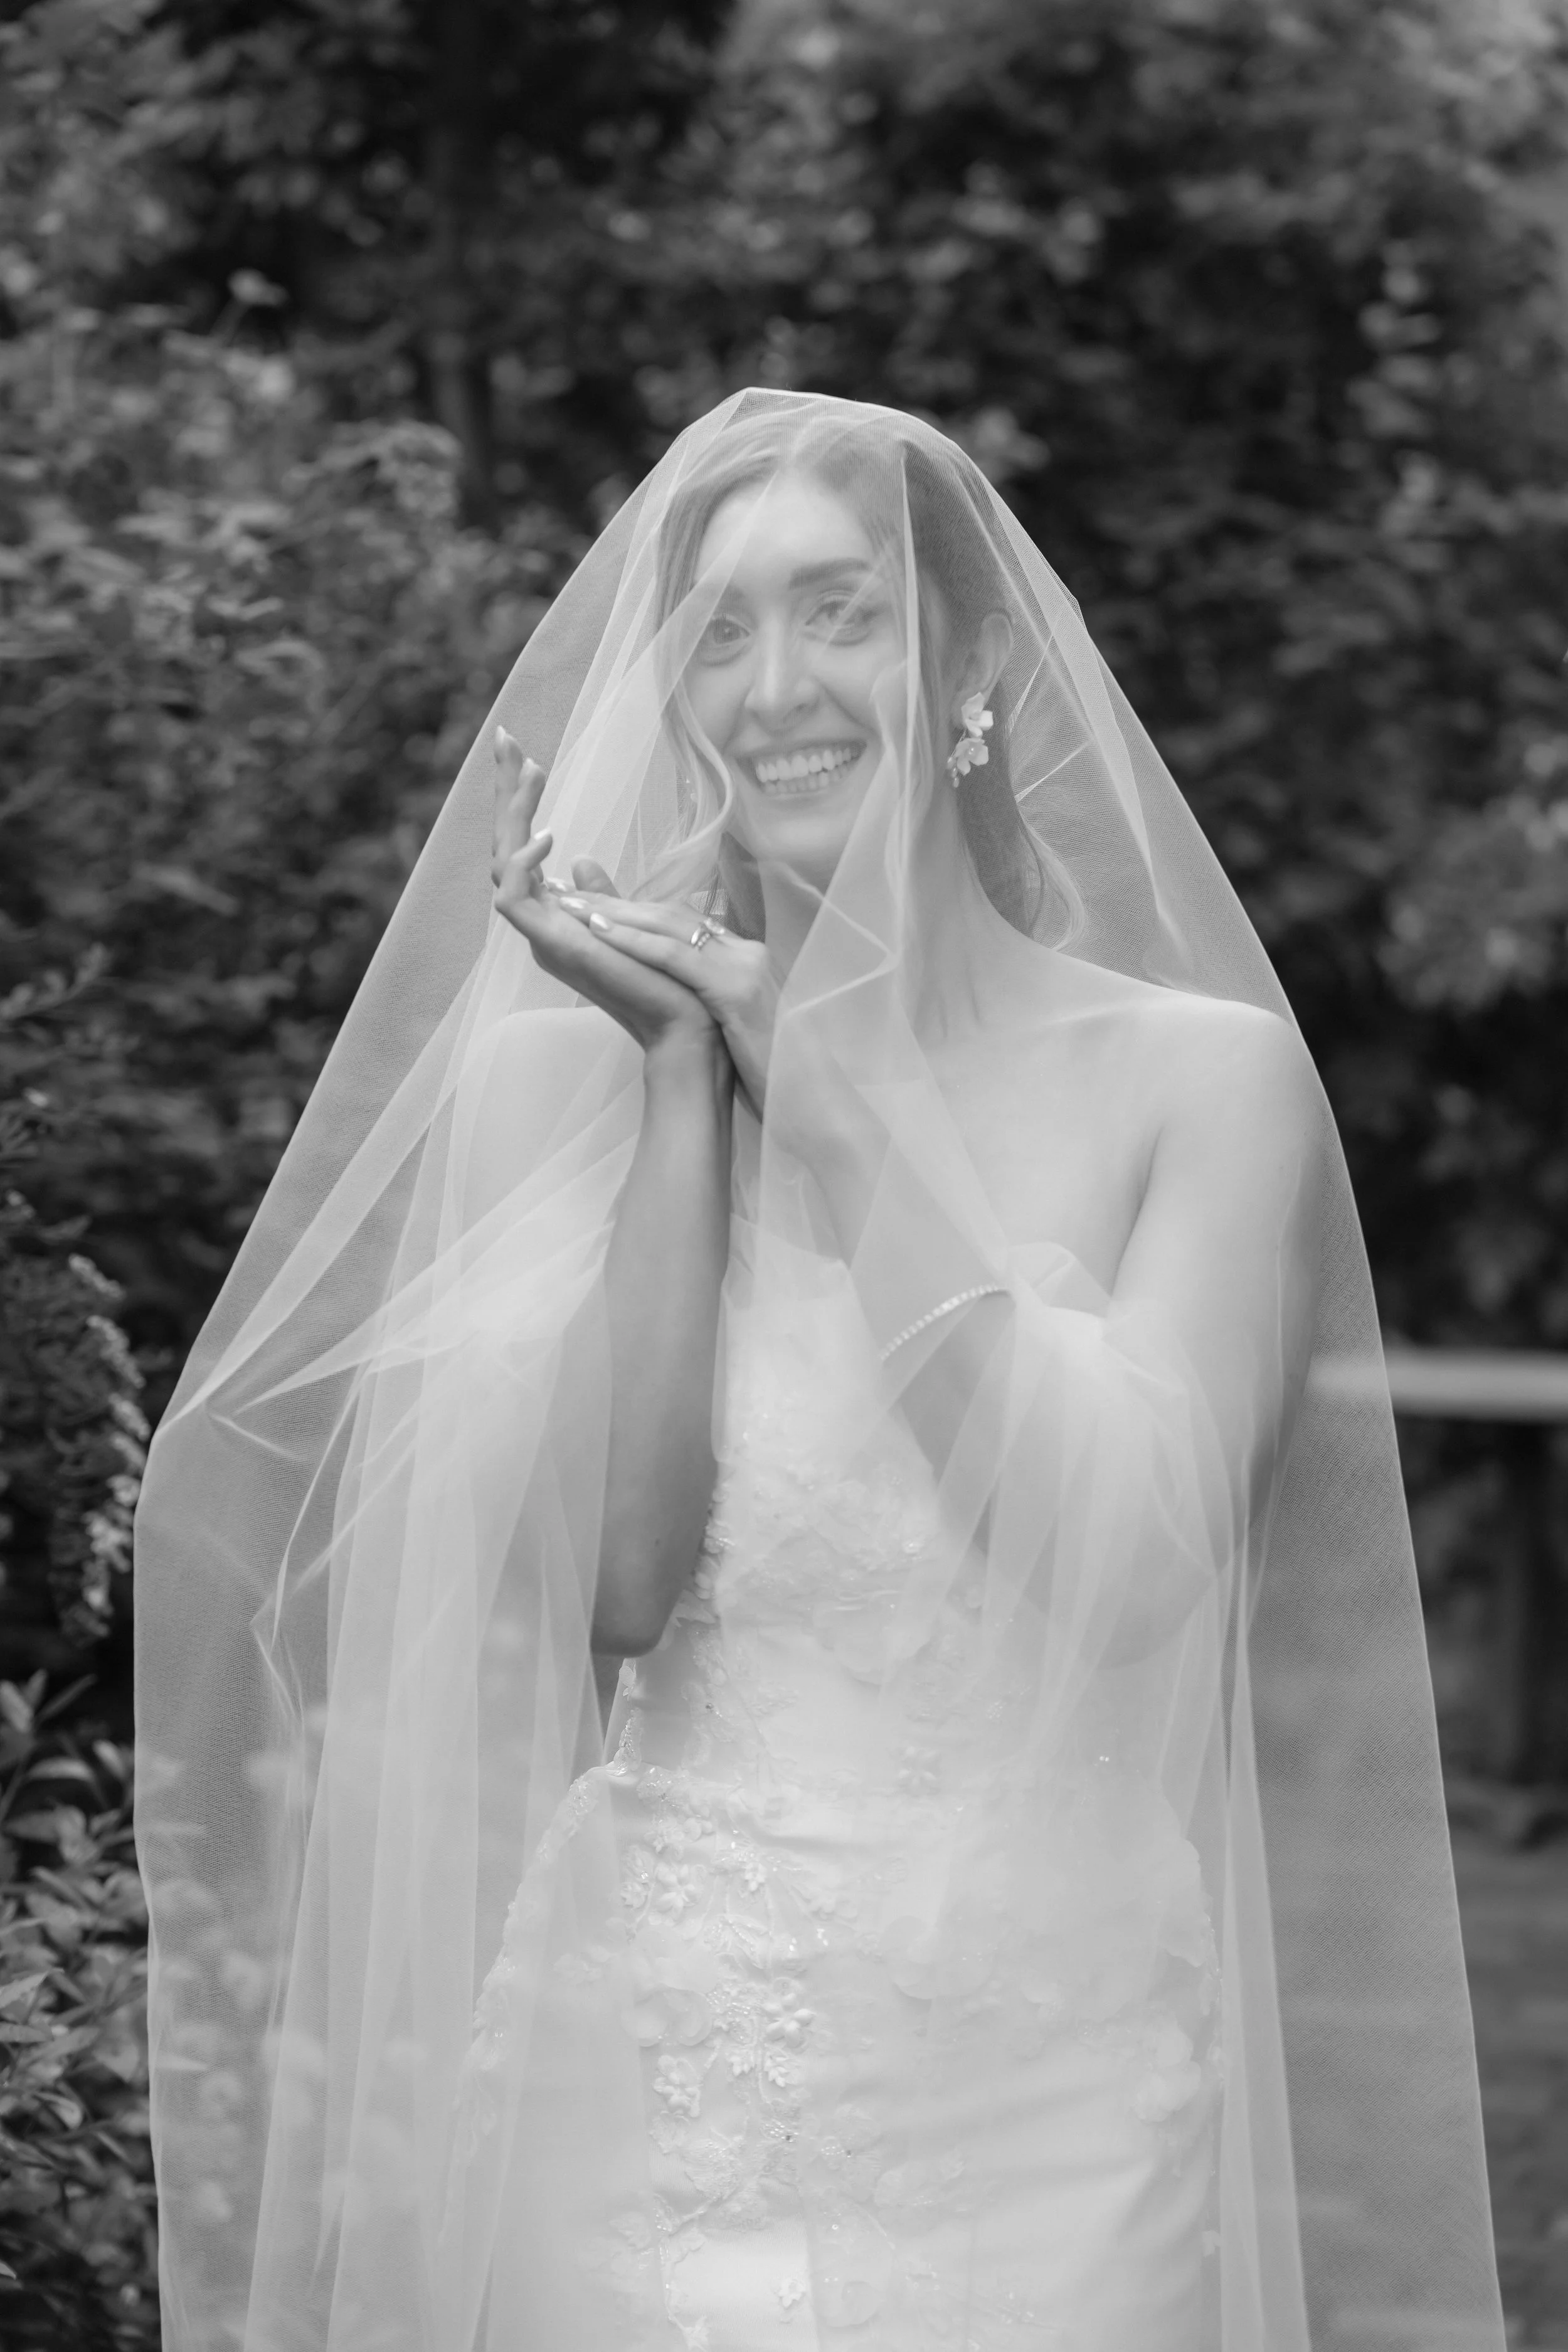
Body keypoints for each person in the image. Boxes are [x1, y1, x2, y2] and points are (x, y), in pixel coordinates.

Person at [134, 393, 1503, 2352]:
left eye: (839, 610)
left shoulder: (1196, 1087)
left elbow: (1129, 1570)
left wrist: (828, 1090)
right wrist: (683, 1079)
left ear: (970, 669)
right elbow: (622, 1580)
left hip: (1046, 2091)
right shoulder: (567, 1074)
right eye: (718, 629)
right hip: (647, 2072)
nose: (773, 681)